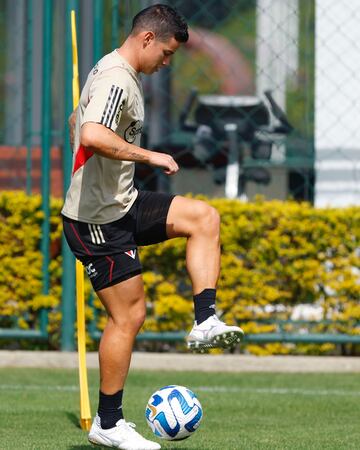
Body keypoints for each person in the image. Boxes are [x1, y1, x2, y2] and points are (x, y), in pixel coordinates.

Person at [62, 4, 244, 449]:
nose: (167, 63)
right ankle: (108, 424)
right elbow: (90, 134)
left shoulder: (122, 71)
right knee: (129, 316)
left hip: (121, 202)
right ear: (146, 39)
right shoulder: (116, 77)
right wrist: (150, 156)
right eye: (165, 53)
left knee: (204, 217)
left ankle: (205, 319)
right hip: (96, 220)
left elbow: (76, 123)